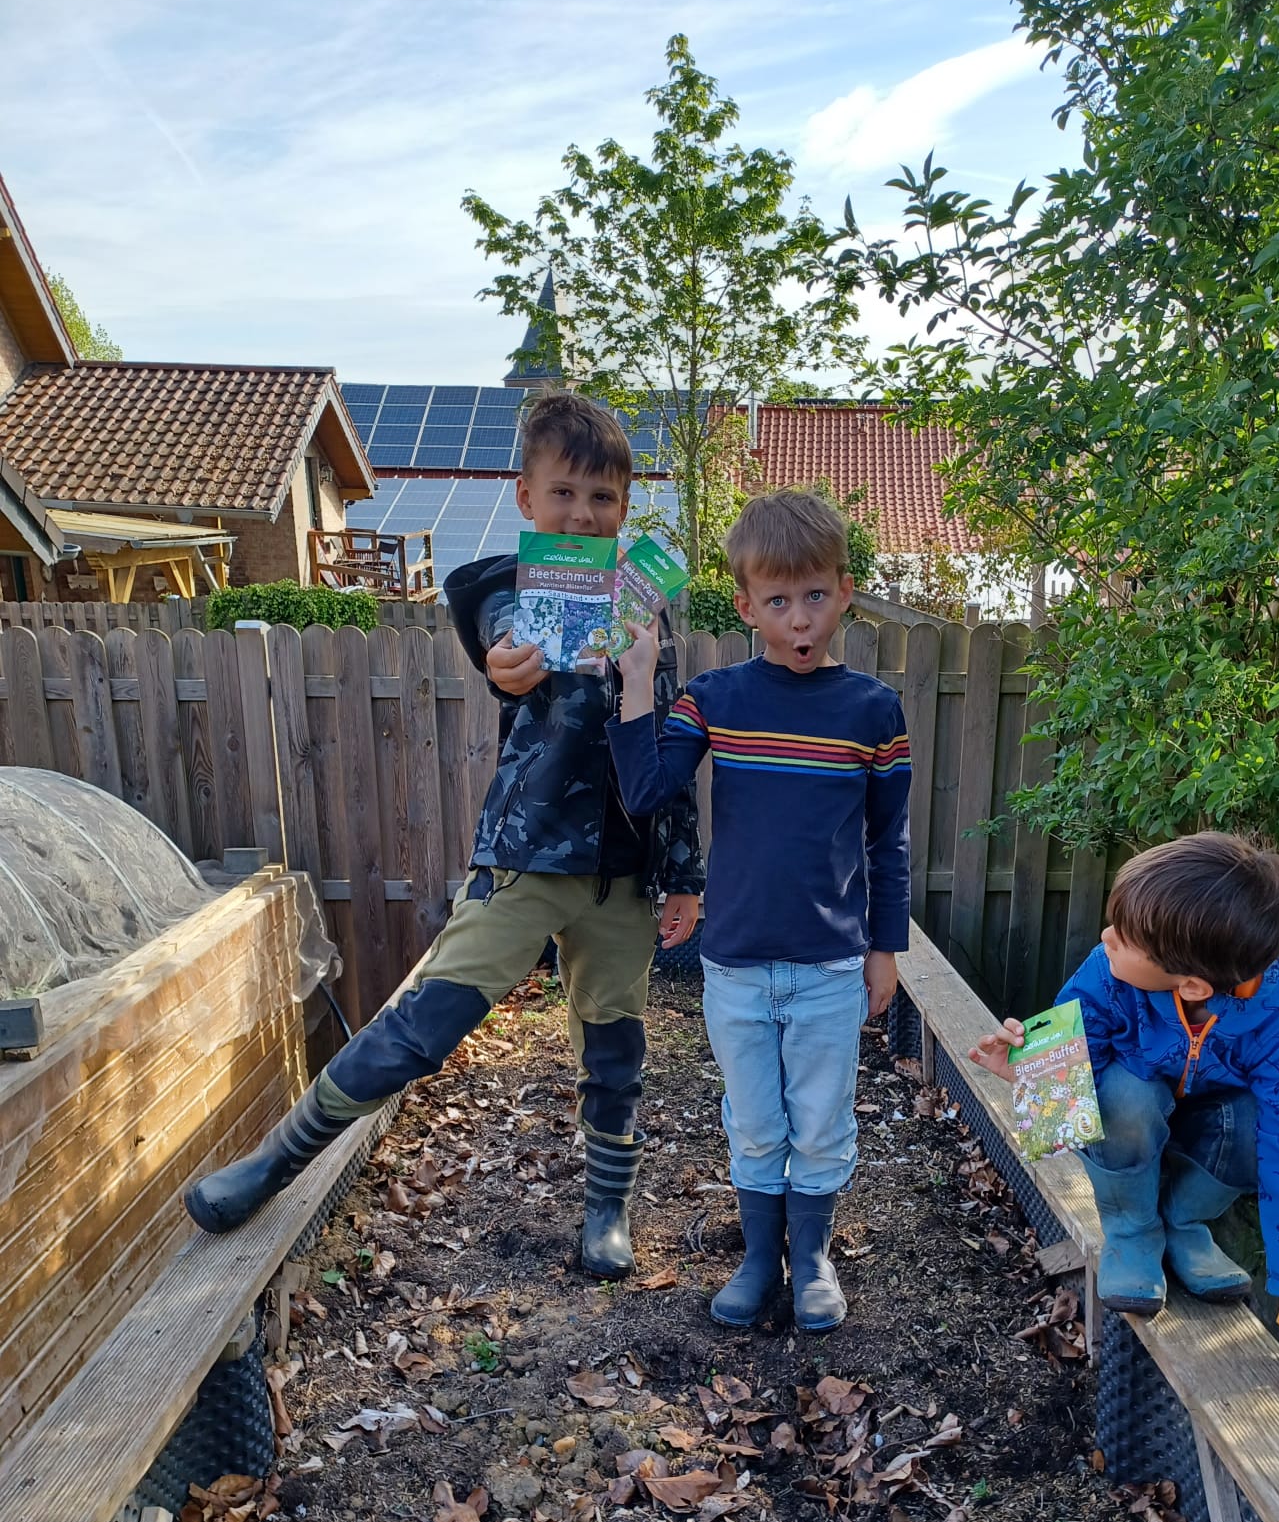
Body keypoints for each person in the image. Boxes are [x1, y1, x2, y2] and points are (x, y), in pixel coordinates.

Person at [185, 390, 704, 1278]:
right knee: (428, 1021)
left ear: (624, 509)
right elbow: (498, 638)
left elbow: (671, 752)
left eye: (603, 498)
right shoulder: (511, 587)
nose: (583, 514)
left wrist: (684, 872)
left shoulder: (644, 611)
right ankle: (274, 1163)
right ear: (527, 497)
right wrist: (508, 662)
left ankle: (606, 1209)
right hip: (526, 859)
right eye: (564, 493)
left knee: (614, 1045)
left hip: (623, 875)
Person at [607, 489, 911, 1331]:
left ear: (844, 591)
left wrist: (885, 948)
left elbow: (888, 844)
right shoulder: (717, 698)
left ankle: (810, 1260)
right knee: (753, 1121)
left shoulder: (873, 712)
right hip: (736, 963)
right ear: (745, 607)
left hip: (829, 964)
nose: (799, 618)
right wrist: (637, 676)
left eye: (814, 596)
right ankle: (756, 1258)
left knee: (819, 1122)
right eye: (778, 601)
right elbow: (647, 789)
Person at [969, 834, 1279, 1402]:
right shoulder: (1108, 974)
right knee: (1127, 1093)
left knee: (1261, 1124)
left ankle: (1184, 1224)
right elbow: (1075, 1066)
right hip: (1135, 1132)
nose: (1105, 938)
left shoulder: (1276, 1026)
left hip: (1205, 1137)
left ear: (1192, 985)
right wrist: (1023, 1074)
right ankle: (1134, 1231)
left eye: (1124, 938)